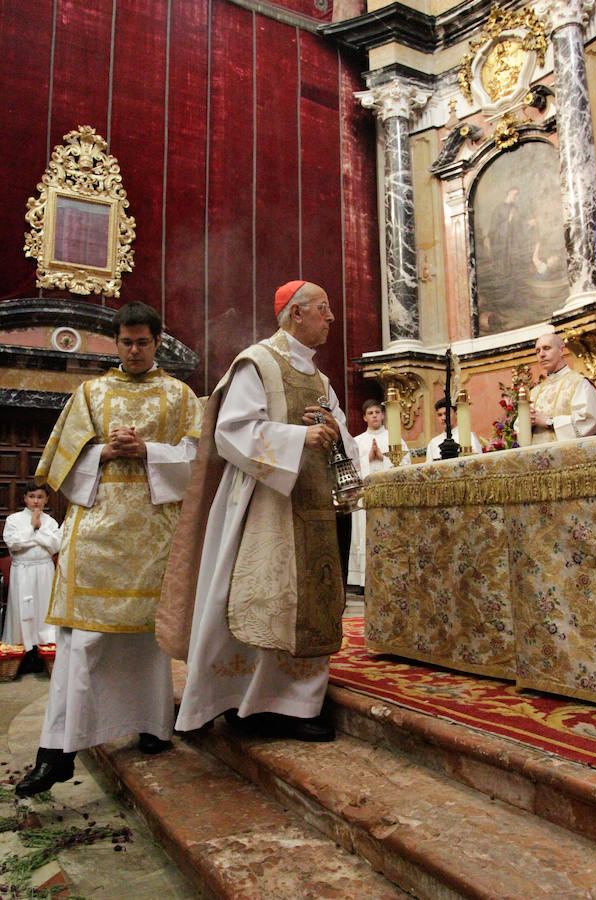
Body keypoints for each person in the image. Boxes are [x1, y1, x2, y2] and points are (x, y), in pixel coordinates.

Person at [156, 280, 358, 743]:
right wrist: (297, 438)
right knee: (259, 598)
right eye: (323, 309)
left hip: (310, 503)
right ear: (294, 313)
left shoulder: (322, 381)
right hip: (261, 502)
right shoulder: (257, 362)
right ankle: (237, 700)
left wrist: (331, 432)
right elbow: (232, 430)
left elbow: (342, 437)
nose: (331, 318)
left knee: (308, 599)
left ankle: (295, 703)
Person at [15, 302, 203, 798]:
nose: (135, 350)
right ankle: (58, 752)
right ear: (115, 343)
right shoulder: (91, 393)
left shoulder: (180, 395)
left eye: (143, 342)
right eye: (126, 342)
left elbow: (202, 459)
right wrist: (104, 451)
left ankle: (152, 725)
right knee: (84, 646)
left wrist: (150, 451)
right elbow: (62, 458)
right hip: (96, 533)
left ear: (157, 341)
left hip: (152, 536)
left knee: (147, 640)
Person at [347, 399, 410, 590]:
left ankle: (389, 575)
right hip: (365, 497)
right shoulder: (357, 441)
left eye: (377, 412)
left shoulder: (395, 439)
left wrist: (382, 459)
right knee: (362, 535)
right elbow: (350, 471)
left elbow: (406, 466)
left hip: (387, 496)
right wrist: (368, 459)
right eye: (370, 413)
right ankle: (362, 580)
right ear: (365, 417)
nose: (374, 416)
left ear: (383, 415)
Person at [2, 482, 61, 661]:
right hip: (23, 570)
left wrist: (37, 529)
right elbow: (14, 543)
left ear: (46, 499)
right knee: (22, 609)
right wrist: (32, 529)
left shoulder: (50, 522)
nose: (36, 501)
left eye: (40, 497)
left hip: (44, 569)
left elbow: (56, 545)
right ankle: (21, 653)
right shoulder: (14, 520)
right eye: (32, 497)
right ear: (25, 498)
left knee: (44, 609)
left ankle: (45, 651)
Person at [528, 332, 596, 443]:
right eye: (537, 351)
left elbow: (590, 422)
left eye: (546, 348)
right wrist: (526, 423)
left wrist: (550, 422)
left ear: (562, 350)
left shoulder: (578, 383)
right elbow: (520, 431)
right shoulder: (534, 392)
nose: (541, 354)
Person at [425, 398, 483, 463]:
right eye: (440, 415)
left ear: (456, 414)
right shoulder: (433, 443)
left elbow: (479, 462)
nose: (443, 418)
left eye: (446, 414)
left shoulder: (468, 437)